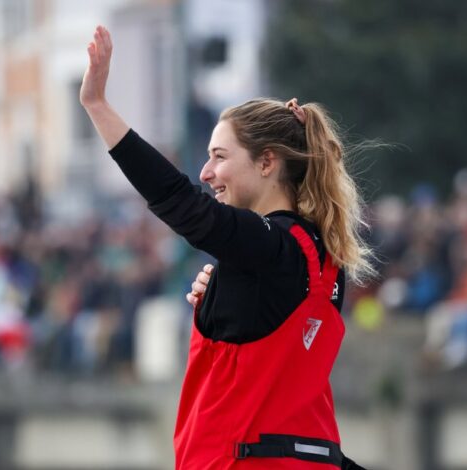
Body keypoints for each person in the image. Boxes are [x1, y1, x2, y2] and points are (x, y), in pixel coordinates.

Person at [80, 25, 371, 469]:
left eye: (220, 156)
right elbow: (289, 406)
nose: (205, 171)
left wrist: (98, 106)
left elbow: (182, 204)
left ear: (267, 161)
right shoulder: (326, 260)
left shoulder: (268, 247)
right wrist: (221, 296)